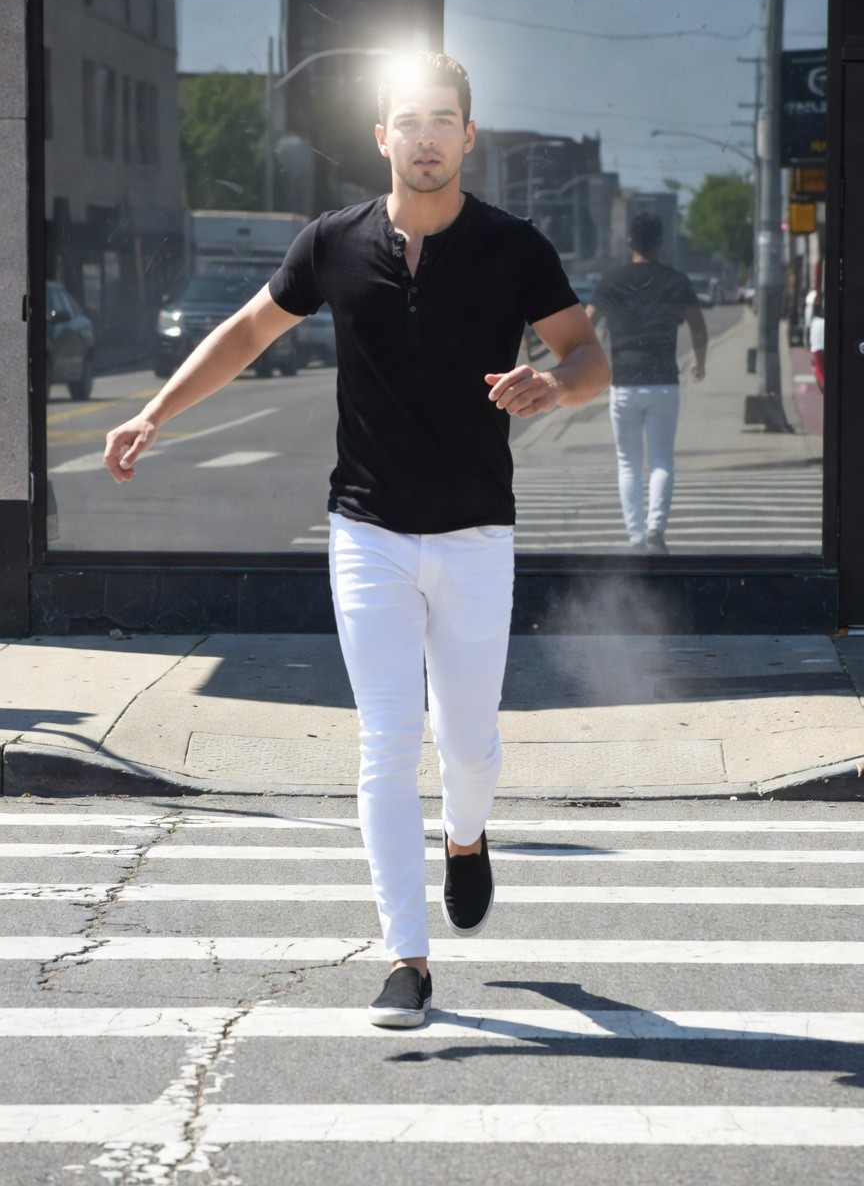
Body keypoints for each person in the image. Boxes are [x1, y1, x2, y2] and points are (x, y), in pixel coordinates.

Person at [103, 51, 611, 1027]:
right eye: (407, 119)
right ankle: (406, 960)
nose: (426, 135)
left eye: (444, 119)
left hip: (473, 533)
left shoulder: (515, 247)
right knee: (386, 741)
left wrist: (558, 384)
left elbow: (583, 350)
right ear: (382, 136)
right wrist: (156, 412)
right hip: (365, 528)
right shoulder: (332, 242)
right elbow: (250, 332)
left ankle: (467, 839)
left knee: (469, 744)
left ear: (469, 136)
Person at [585, 214, 708, 554]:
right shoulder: (676, 280)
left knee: (627, 462)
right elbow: (698, 327)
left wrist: (586, 365)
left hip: (623, 383)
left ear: (630, 243)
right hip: (664, 383)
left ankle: (636, 538)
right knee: (661, 461)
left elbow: (586, 325)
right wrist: (701, 361)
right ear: (660, 243)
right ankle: (656, 531)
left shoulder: (611, 281)